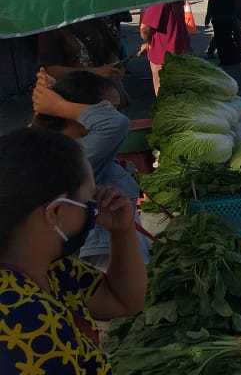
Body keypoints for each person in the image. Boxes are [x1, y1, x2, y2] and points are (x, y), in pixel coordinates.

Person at [0, 128, 147, 374]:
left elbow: (124, 301)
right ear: (55, 213)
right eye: (89, 199)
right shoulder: (26, 319)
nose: (95, 207)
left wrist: (122, 231)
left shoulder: (52, 270)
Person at [30, 69, 153, 269]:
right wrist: (58, 104)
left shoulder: (82, 145)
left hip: (119, 252)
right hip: (105, 262)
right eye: (106, 108)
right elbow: (115, 124)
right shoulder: (68, 156)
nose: (114, 113)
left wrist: (58, 99)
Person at [37, 17, 123, 86]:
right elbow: (50, 70)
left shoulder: (94, 18)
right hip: (72, 95)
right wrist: (97, 72)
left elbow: (107, 52)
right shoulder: (52, 26)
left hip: (102, 90)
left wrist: (117, 67)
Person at [138, 0, 191, 95]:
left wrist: (148, 42)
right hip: (177, 53)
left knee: (166, 94)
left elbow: (145, 28)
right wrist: (149, 42)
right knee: (177, 93)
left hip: (163, 57)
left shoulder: (160, 1)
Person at [204, 0, 241, 65]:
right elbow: (211, 5)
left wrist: (208, 18)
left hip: (226, 16)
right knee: (224, 37)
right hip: (224, 16)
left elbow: (211, 6)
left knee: (224, 37)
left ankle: (237, 53)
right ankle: (235, 55)